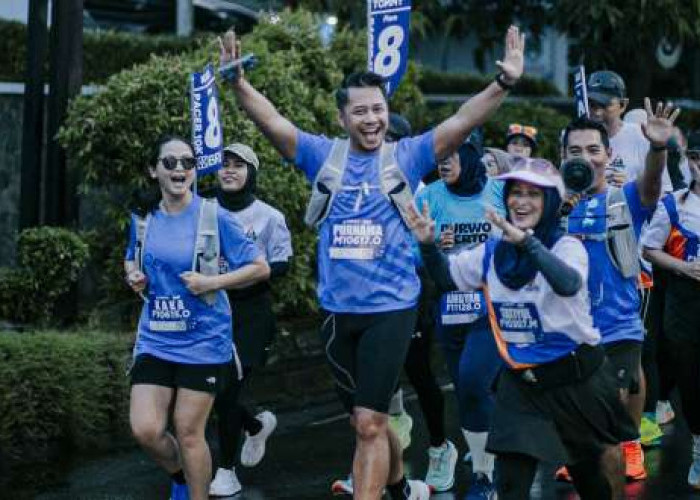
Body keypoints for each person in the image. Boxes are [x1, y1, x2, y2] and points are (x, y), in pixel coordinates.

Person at [219, 23, 525, 500]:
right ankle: (400, 487)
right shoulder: (324, 156)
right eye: (360, 111)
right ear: (342, 117)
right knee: (368, 423)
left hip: (392, 310)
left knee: (369, 423)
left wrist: (503, 82)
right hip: (338, 313)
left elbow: (462, 120)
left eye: (378, 109)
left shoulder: (407, 155)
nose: (371, 119)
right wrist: (239, 85)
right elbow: (274, 123)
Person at [408, 157, 637, 500]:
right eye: (515, 193)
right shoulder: (491, 253)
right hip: (522, 381)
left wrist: (527, 243)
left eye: (533, 194)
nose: (521, 201)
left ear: (550, 202)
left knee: (590, 480)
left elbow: (568, 284)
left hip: (576, 378)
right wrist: (427, 245)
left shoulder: (567, 246)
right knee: (511, 484)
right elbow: (446, 278)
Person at [124, 136, 270, 500]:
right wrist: (133, 275)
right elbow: (131, 257)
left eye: (187, 163)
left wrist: (212, 282)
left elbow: (259, 267)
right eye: (170, 162)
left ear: (194, 170)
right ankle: (182, 480)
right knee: (146, 430)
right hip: (156, 337)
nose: (179, 169)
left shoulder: (213, 215)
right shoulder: (142, 217)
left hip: (203, 339)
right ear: (153, 169)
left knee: (189, 432)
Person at [331, 114, 456, 496]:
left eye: (391, 141)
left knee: (419, 374)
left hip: (409, 298)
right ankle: (377, 469)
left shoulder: (421, 191)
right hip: (361, 303)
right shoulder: (352, 181)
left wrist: (396, 250)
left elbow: (427, 250)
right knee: (368, 403)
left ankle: (440, 448)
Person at [560, 107, 679, 481]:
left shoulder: (624, 197)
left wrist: (657, 149)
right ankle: (586, 451)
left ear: (608, 154)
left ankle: (628, 445)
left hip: (618, 319)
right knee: (576, 397)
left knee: (615, 395)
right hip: (569, 324)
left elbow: (651, 187)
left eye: (593, 150)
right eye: (575, 151)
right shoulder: (554, 205)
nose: (585, 158)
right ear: (563, 157)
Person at [413, 139, 505, 498]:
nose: (443, 163)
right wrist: (434, 242)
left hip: (491, 307)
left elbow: (521, 236)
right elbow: (414, 252)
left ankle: (487, 475)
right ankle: (487, 462)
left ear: (469, 156)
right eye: (439, 157)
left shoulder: (498, 191)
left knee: (473, 381)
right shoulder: (429, 196)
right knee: (467, 392)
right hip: (449, 308)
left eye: (451, 156)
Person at [208, 143, 293, 497]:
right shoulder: (202, 210)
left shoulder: (269, 216)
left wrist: (246, 274)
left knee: (228, 387)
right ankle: (255, 426)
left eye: (238, 165)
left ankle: (226, 471)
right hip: (209, 307)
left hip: (250, 313)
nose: (229, 170)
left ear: (251, 173)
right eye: (224, 164)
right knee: (213, 389)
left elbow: (283, 263)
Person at [642, 141, 700, 490]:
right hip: (684, 301)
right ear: (691, 161)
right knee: (690, 377)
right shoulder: (673, 204)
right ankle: (698, 447)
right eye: (698, 158)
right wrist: (684, 267)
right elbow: (649, 248)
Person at [587, 70, 674, 192]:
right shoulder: (577, 138)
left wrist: (630, 189)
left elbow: (664, 192)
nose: (597, 111)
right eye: (592, 104)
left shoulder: (641, 136)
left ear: (623, 105)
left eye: (605, 105)